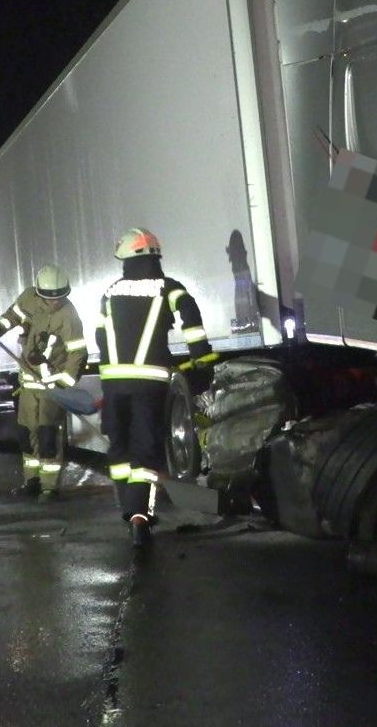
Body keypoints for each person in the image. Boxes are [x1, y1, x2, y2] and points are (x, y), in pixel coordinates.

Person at [97, 228, 217, 548]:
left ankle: (129, 509)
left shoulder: (110, 291)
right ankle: (141, 516)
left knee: (119, 449)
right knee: (146, 451)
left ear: (124, 257)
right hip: (150, 383)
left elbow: (100, 336)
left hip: (113, 383)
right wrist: (202, 360)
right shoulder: (170, 288)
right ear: (156, 255)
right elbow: (191, 319)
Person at [0, 264, 88, 501]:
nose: (55, 304)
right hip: (28, 383)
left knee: (47, 436)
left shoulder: (69, 316)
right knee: (26, 435)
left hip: (51, 386)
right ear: (39, 293)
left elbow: (78, 355)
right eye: (50, 299)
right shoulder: (29, 298)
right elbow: (13, 315)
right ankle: (31, 481)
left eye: (60, 299)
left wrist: (64, 384)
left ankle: (49, 487)